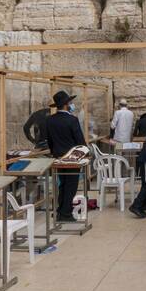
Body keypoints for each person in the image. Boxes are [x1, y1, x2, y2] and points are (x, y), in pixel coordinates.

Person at [45, 90, 86, 223]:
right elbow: (79, 140)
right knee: (71, 185)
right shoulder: (72, 120)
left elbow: (50, 140)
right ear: (66, 104)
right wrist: (85, 152)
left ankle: (60, 210)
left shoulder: (50, 120)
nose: (72, 104)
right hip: (72, 158)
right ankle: (66, 213)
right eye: (70, 102)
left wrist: (54, 153)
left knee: (62, 184)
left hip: (58, 157)